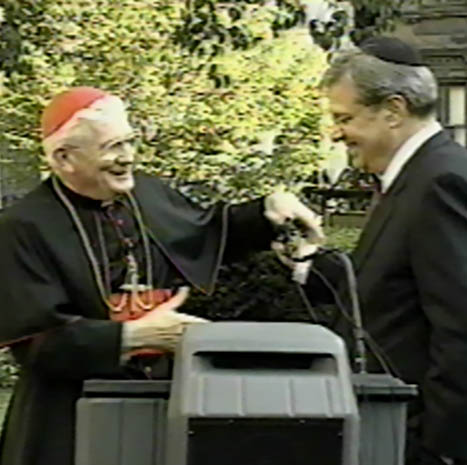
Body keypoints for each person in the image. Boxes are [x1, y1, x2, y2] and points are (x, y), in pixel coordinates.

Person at [0, 86, 323, 465]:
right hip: (66, 411)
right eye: (112, 147)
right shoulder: (23, 227)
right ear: (65, 158)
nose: (128, 158)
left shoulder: (147, 194)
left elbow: (205, 235)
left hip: (162, 391)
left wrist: (268, 210)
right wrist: (136, 336)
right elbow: (37, 340)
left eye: (129, 143)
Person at [294, 37, 467, 464]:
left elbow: (460, 326)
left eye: (345, 118)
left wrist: (440, 449)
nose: (336, 133)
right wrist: (312, 268)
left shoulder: (439, 183)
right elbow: (396, 289)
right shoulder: (416, 177)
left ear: (393, 110)